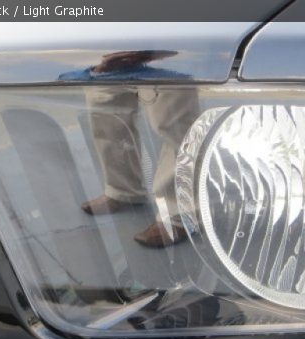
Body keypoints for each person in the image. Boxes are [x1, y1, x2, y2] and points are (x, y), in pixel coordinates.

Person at [60, 51, 200, 247]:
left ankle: (178, 213)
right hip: (113, 38)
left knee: (172, 119)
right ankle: (122, 190)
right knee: (105, 104)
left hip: (164, 38)